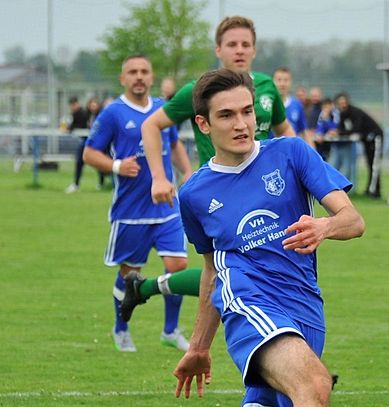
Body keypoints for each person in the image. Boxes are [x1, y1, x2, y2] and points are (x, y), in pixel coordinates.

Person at [106, 69, 388, 407]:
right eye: (227, 115)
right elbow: (213, 269)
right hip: (251, 308)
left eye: (247, 112)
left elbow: (354, 219)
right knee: (314, 386)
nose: (242, 123)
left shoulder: (291, 153)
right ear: (202, 124)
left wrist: (324, 226)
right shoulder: (195, 193)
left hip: (304, 313)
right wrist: (199, 345)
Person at [82, 54, 193, 353]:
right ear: (123, 79)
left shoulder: (161, 109)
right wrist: (118, 166)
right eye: (133, 72)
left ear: (152, 76)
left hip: (167, 206)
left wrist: (189, 174)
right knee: (128, 276)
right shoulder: (113, 114)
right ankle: (121, 327)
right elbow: (90, 154)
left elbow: (173, 144)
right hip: (131, 212)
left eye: (144, 71)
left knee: (178, 267)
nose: (139, 76)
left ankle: (170, 330)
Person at [142, 15, 293, 208]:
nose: (239, 50)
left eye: (245, 44)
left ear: (254, 50)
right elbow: (151, 125)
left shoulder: (267, 86)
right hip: (217, 192)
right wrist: (159, 178)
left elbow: (285, 129)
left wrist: (292, 166)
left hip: (264, 187)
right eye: (232, 44)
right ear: (218, 50)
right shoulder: (198, 90)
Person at [335, 92, 384, 199]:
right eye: (340, 103)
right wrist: (339, 132)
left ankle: (374, 191)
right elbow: (342, 128)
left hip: (375, 137)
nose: (342, 105)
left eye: (344, 102)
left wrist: (340, 132)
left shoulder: (355, 112)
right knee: (369, 164)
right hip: (365, 140)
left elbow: (356, 129)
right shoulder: (343, 114)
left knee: (374, 165)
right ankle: (370, 188)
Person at [273, 66, 308, 142]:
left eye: (286, 80)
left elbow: (304, 131)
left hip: (291, 151)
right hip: (271, 151)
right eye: (279, 80)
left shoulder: (297, 105)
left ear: (290, 82)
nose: (282, 84)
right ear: (273, 82)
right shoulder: (268, 105)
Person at [65, 96, 91, 194]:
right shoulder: (78, 113)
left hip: (88, 141)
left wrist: (69, 129)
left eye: (73, 104)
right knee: (80, 162)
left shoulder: (81, 113)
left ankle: (76, 184)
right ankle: (76, 184)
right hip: (85, 141)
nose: (72, 107)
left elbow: (75, 126)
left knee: (81, 161)